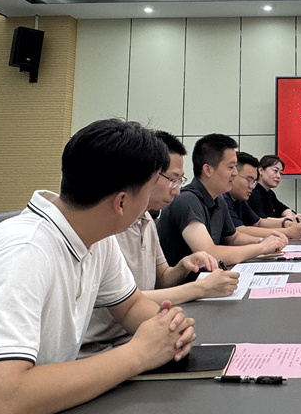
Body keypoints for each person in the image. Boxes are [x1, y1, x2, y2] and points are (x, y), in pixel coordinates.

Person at [0, 119, 196, 414]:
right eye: (149, 190)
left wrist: (170, 331)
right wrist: (139, 353)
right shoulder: (23, 252)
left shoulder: (97, 237)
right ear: (121, 203)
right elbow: (0, 404)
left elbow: (129, 307)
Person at [80, 131, 241, 357]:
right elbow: (124, 303)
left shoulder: (145, 217)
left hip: (137, 333)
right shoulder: (106, 228)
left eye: (180, 180)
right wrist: (202, 288)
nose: (177, 189)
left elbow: (160, 279)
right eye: (172, 179)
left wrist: (184, 266)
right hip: (105, 346)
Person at [156, 134, 286, 266]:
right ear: (208, 170)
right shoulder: (187, 200)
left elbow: (234, 238)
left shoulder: (219, 199)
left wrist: (262, 241)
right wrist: (261, 248)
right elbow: (208, 252)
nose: (235, 173)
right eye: (230, 167)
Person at [223, 151, 301, 239]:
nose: (252, 186)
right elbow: (238, 231)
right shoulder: (223, 198)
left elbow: (258, 222)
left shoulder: (240, 199)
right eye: (249, 180)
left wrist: (286, 223)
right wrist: (287, 232)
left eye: (253, 181)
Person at [248, 154, 301, 222]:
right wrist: (288, 220)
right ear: (261, 170)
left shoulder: (270, 193)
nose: (278, 176)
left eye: (281, 173)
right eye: (275, 171)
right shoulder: (254, 194)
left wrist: (290, 216)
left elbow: (283, 209)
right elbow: (261, 220)